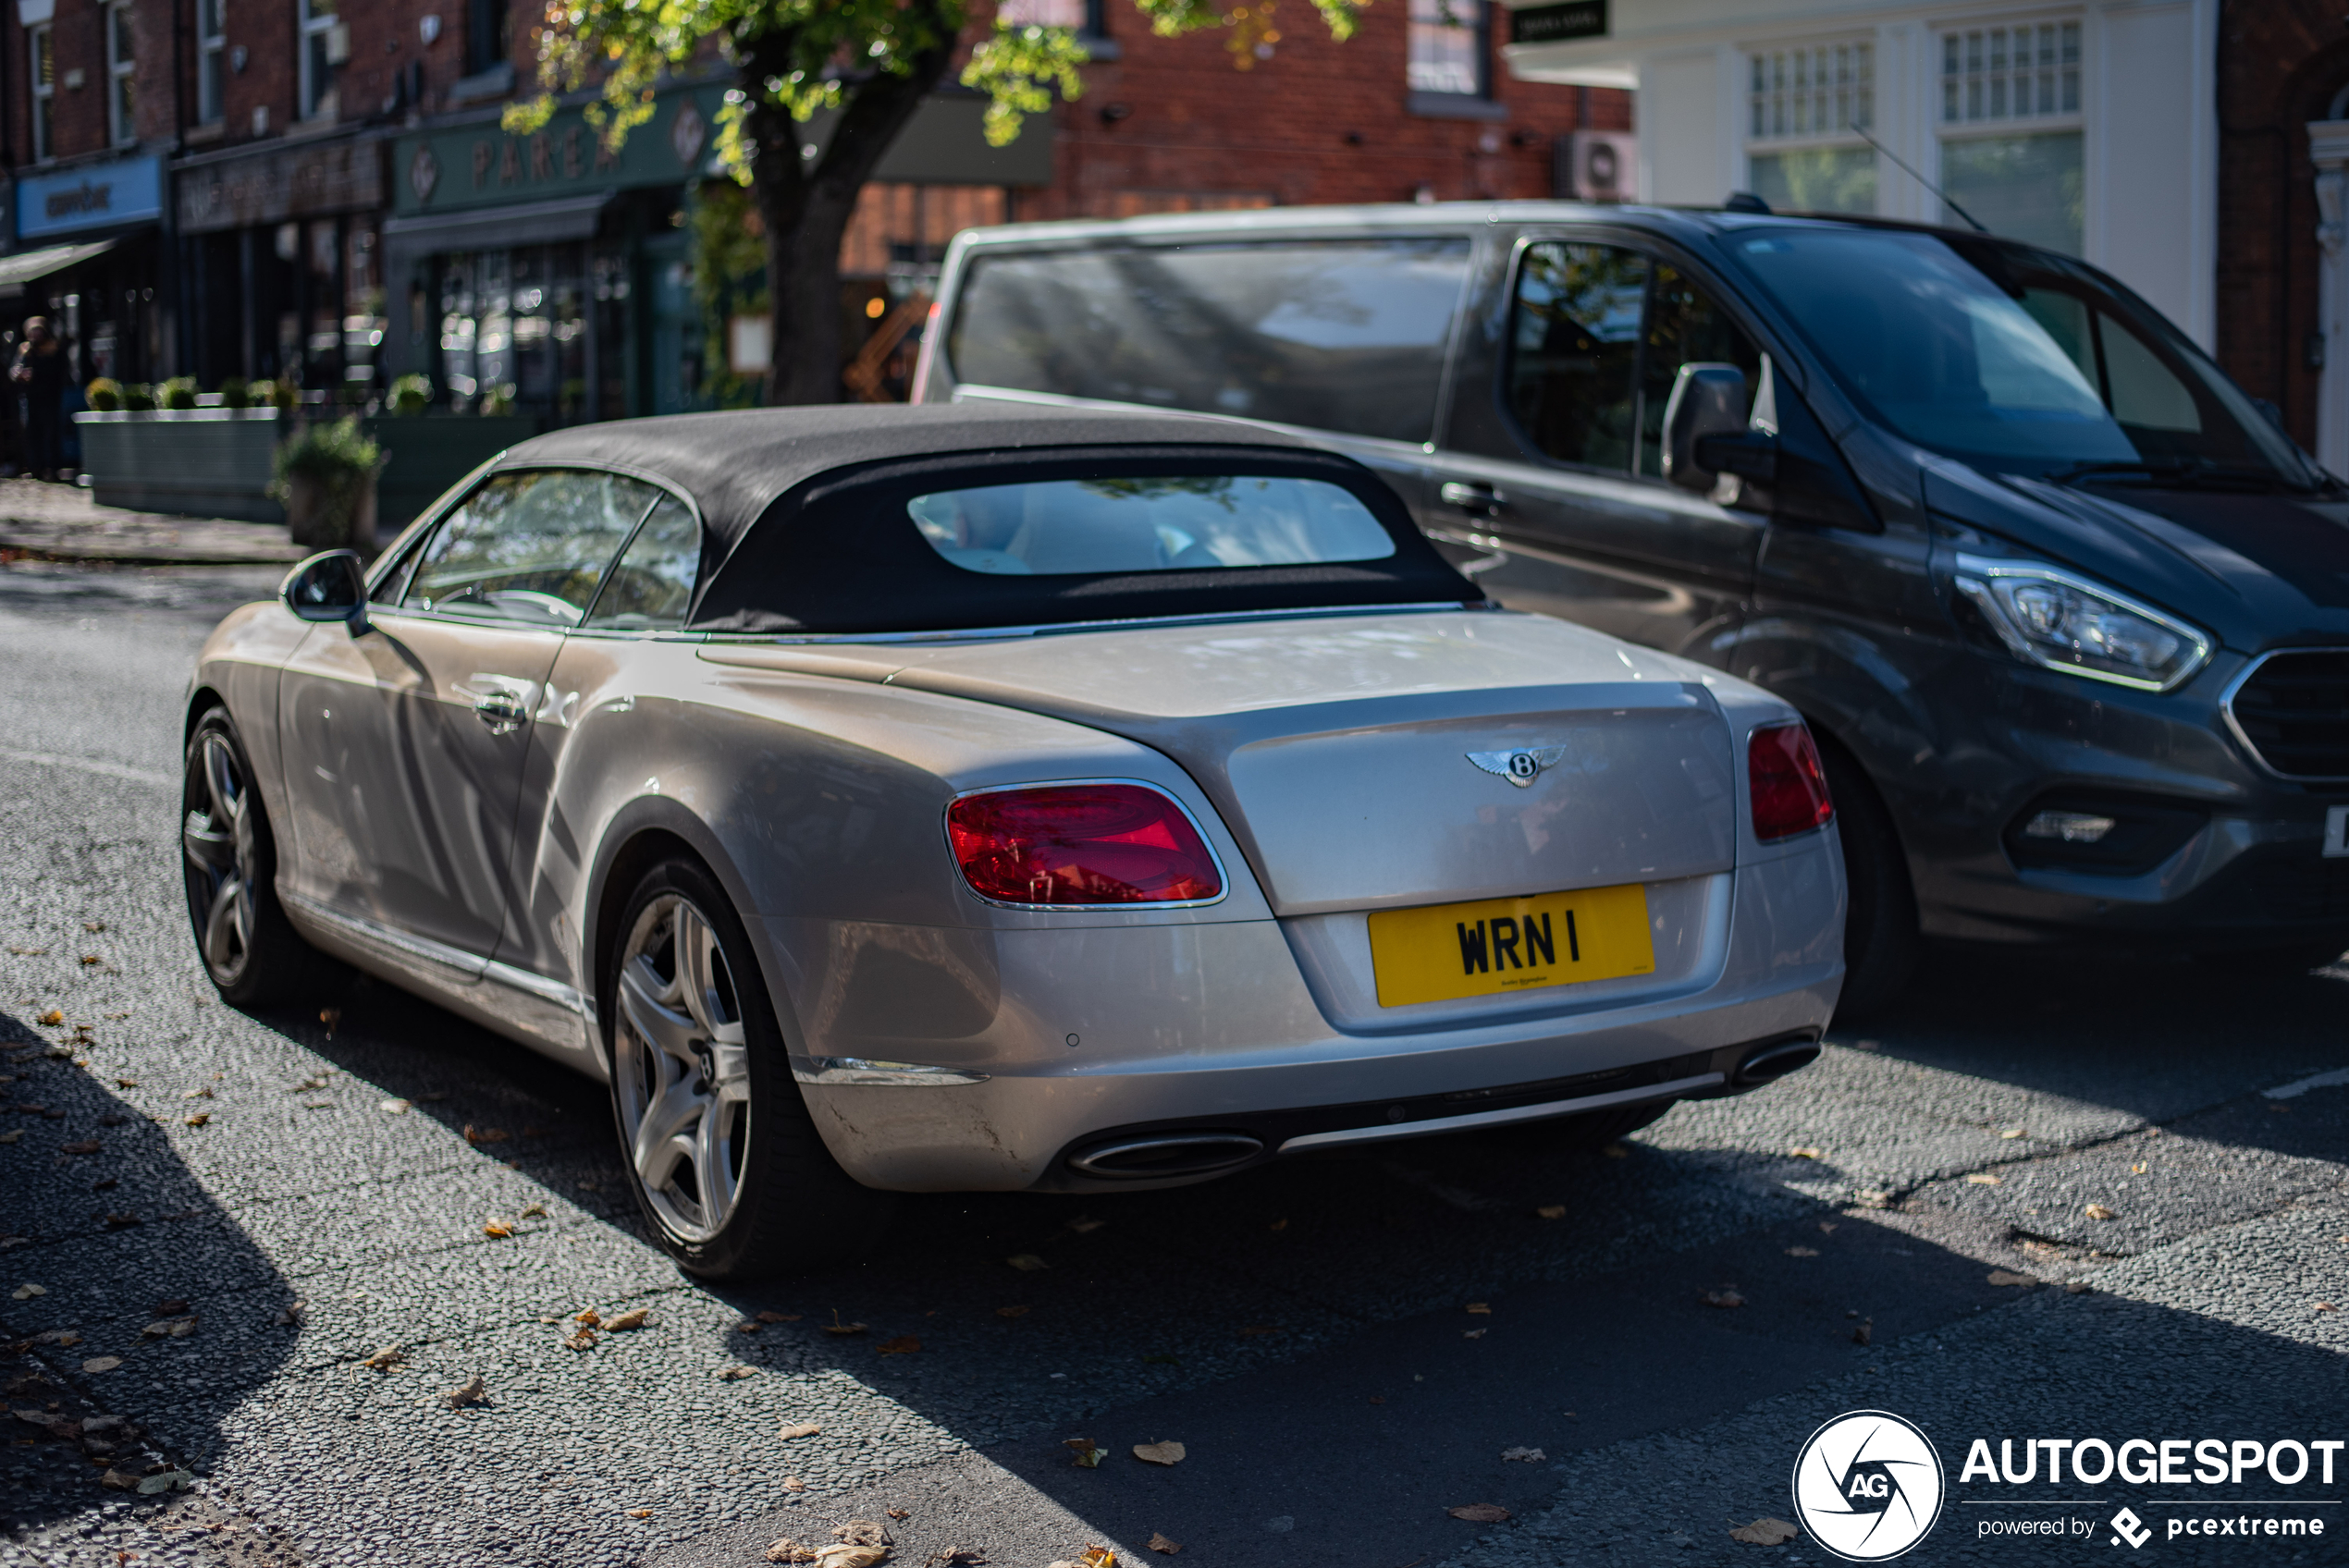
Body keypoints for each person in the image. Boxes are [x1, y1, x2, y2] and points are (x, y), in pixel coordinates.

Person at [12, 316, 69, 481]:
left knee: (51, 433)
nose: (35, 336)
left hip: (49, 397)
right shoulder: (25, 350)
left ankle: (53, 468)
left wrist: (35, 375)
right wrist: (19, 375)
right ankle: (35, 467)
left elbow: (59, 372)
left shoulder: (53, 349)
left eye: (38, 332)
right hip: (30, 397)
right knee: (31, 433)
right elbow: (14, 369)